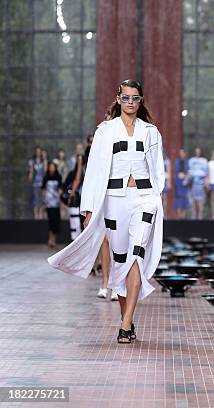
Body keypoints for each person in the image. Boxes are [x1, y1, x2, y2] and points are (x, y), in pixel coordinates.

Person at [49, 79, 166, 344]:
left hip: (144, 199)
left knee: (135, 256)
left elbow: (159, 170)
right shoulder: (105, 131)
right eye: (126, 98)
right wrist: (89, 208)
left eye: (135, 98)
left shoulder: (151, 132)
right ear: (118, 98)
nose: (130, 103)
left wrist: (156, 198)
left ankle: (125, 325)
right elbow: (94, 171)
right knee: (121, 259)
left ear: (141, 101)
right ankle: (128, 319)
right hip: (114, 200)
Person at [41, 162, 62, 249]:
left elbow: (61, 189)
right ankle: (50, 240)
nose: (52, 168)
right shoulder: (46, 177)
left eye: (53, 167)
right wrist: (43, 200)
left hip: (56, 202)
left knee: (56, 221)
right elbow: (43, 189)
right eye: (50, 167)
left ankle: (54, 240)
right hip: (49, 202)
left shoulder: (58, 177)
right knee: (51, 221)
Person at [188, 147, 208, 220]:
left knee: (201, 202)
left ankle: (200, 218)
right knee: (193, 203)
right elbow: (189, 172)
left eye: (199, 151)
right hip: (193, 184)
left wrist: (206, 184)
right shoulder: (191, 160)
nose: (198, 153)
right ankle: (193, 218)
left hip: (201, 184)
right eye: (196, 151)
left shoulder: (204, 161)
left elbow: (206, 174)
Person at [28, 146, 47, 220]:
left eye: (39, 151)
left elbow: (45, 170)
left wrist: (45, 158)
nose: (38, 153)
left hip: (42, 183)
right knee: (36, 199)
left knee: (43, 199)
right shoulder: (32, 161)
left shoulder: (43, 161)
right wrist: (29, 178)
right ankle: (36, 216)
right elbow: (31, 172)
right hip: (35, 183)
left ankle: (41, 215)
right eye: (37, 151)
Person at [173, 148, 190, 219]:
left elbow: (189, 172)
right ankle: (178, 215)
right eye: (180, 153)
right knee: (178, 198)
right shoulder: (177, 161)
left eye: (183, 153)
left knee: (184, 198)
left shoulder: (187, 162)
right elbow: (175, 172)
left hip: (184, 182)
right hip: (178, 182)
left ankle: (183, 216)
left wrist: (185, 177)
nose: (181, 154)